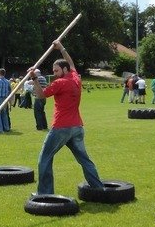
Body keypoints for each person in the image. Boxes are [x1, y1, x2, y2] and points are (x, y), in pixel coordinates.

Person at [30, 41, 104, 195]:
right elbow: (71, 63)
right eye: (53, 71)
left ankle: (44, 193)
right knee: (84, 159)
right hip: (77, 127)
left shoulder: (60, 83)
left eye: (56, 70)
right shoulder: (76, 78)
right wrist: (61, 48)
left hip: (61, 127)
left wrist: (35, 79)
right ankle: (98, 187)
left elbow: (41, 95)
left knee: (45, 158)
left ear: (64, 70)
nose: (54, 73)